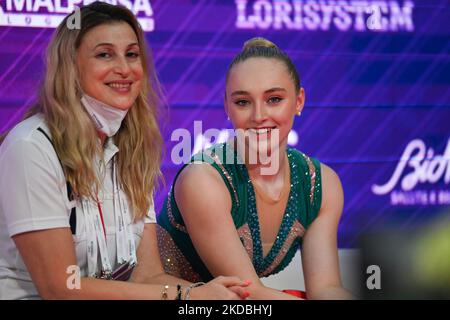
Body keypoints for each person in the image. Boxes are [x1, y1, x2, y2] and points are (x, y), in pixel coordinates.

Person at [0, 2, 250, 300]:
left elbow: (147, 276)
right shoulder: (31, 147)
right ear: (71, 67)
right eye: (105, 54)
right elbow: (60, 288)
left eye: (132, 55)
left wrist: (208, 294)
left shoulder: (131, 150)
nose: (124, 68)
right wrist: (187, 298)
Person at [157, 37, 354, 300]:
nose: (259, 116)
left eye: (274, 99)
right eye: (242, 102)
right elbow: (250, 294)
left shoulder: (321, 184)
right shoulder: (202, 179)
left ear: (299, 101)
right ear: (227, 106)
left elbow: (326, 288)